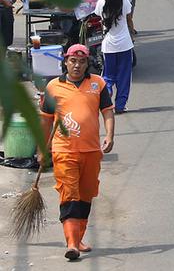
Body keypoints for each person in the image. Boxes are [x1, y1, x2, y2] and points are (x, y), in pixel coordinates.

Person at [39, 43, 115, 261]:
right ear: (65, 62)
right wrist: (42, 148)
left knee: (86, 195)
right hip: (64, 150)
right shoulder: (53, 86)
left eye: (82, 62)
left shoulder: (97, 84)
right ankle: (71, 244)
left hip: (91, 151)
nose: (77, 65)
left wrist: (110, 136)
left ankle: (78, 237)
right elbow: (45, 121)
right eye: (73, 61)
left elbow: (107, 112)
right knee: (69, 194)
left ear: (87, 63)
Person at [96, 0, 134, 114]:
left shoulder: (101, 4)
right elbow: (129, 19)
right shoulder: (125, 2)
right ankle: (120, 105)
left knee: (108, 75)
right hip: (125, 44)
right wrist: (133, 31)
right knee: (124, 76)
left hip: (109, 46)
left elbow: (97, 17)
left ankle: (107, 96)